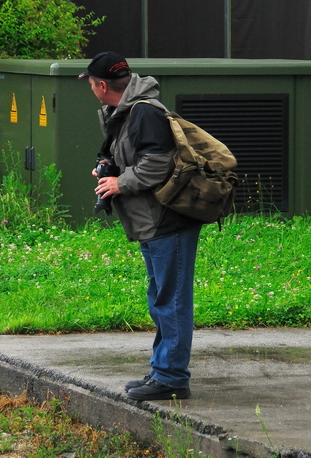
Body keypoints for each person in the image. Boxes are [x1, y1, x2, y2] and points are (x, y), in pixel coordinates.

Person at [80, 51, 203, 401]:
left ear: (102, 85)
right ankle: (161, 371)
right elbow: (126, 155)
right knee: (160, 296)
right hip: (152, 220)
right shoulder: (124, 113)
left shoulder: (144, 112)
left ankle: (172, 377)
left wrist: (120, 183)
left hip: (168, 218)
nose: (91, 89)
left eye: (90, 83)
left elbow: (158, 163)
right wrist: (106, 165)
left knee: (171, 299)